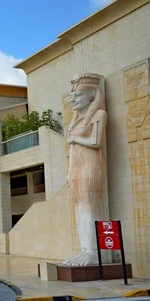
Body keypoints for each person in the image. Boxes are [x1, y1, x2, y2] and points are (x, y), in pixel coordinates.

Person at [63, 73, 108, 267]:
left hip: (91, 166)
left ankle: (93, 252)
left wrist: (75, 138)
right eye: (71, 95)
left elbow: (96, 141)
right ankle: (85, 248)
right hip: (76, 168)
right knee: (79, 207)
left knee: (89, 205)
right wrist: (68, 172)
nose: (73, 99)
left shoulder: (99, 114)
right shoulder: (75, 121)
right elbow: (73, 151)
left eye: (78, 95)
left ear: (91, 95)